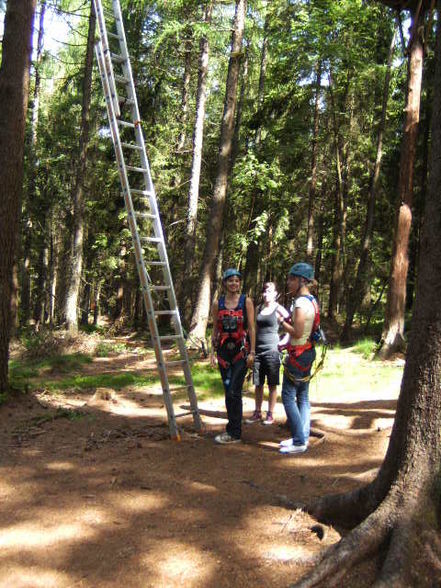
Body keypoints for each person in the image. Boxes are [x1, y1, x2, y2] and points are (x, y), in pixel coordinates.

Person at [211, 268, 256, 444]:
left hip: (240, 352)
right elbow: (215, 329)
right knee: (228, 390)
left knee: (233, 391)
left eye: (237, 281)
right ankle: (233, 427)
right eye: (230, 281)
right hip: (223, 353)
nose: (234, 284)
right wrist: (212, 353)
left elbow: (251, 327)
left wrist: (252, 352)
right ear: (225, 283)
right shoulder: (218, 303)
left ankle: (234, 432)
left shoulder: (246, 301)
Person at [278, 262, 319, 454]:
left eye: (292, 279)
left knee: (288, 396)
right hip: (307, 352)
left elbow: (297, 332)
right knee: (302, 396)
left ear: (302, 281)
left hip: (299, 354)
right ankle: (301, 436)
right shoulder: (311, 300)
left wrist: (281, 322)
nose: (288, 283)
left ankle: (299, 440)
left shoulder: (301, 303)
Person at [245, 282, 289, 425]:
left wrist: (282, 344)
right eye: (264, 291)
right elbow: (253, 329)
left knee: (272, 384)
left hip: (272, 351)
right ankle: (257, 412)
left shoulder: (279, 309)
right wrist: (250, 347)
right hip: (258, 351)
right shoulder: (258, 309)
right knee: (258, 384)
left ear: (275, 293)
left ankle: (270, 414)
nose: (266, 294)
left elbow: (291, 326)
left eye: (269, 291)